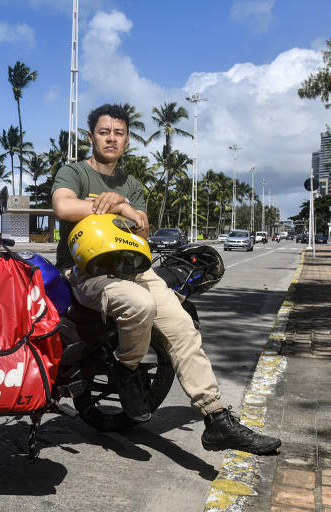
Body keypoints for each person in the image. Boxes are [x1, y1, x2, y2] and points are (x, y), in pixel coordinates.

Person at [52, 103, 281, 455]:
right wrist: (119, 207)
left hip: (136, 269)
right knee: (137, 304)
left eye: (119, 133)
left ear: (127, 139)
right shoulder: (75, 172)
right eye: (104, 132)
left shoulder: (132, 184)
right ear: (91, 137)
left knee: (184, 328)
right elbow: (64, 207)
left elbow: (142, 226)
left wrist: (129, 207)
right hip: (86, 271)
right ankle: (128, 369)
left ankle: (217, 418)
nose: (111, 138)